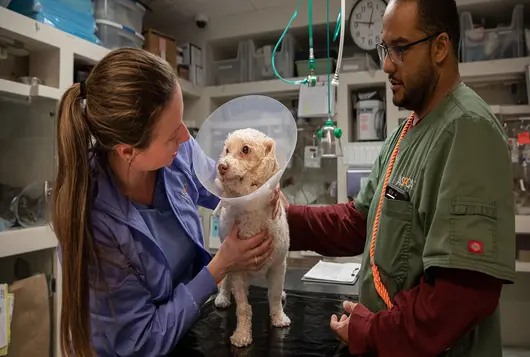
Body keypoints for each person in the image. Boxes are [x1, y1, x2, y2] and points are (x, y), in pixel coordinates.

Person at [273, 0, 516, 356]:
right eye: (385, 49)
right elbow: (358, 222)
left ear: (440, 47)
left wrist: (371, 332)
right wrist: (280, 216)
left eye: (400, 49)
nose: (386, 64)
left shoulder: (468, 130)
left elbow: (460, 297)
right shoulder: (405, 133)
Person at [51, 48, 274, 357]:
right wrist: (220, 266)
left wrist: (266, 188)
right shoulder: (95, 221)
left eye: (182, 123)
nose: (185, 137)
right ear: (128, 151)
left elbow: (226, 187)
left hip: (183, 333)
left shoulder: (177, 151)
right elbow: (142, 340)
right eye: (172, 133)